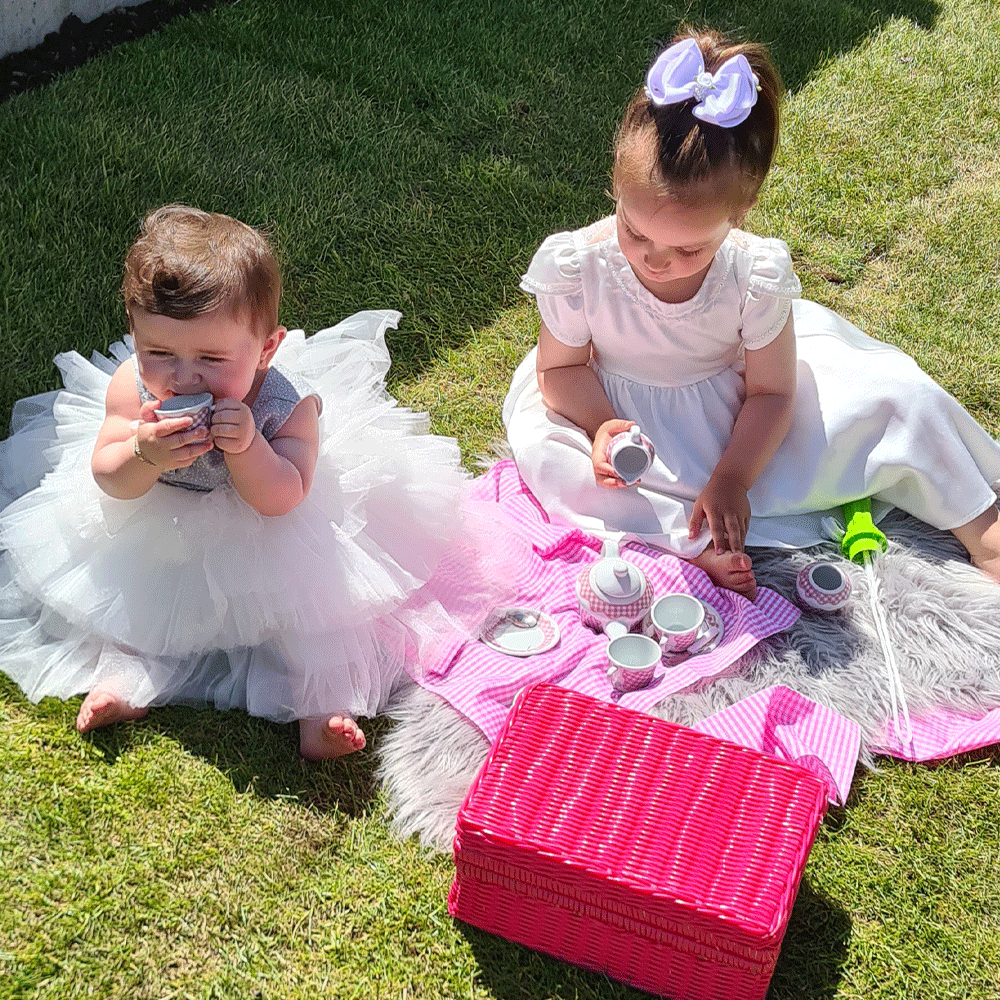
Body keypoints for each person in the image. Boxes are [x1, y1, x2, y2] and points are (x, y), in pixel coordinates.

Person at [0, 205, 515, 756]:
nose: (183, 376)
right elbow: (110, 479)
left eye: (210, 358)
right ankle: (127, 680)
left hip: (271, 530)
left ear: (267, 348)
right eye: (159, 353)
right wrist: (143, 454)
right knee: (137, 600)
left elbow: (282, 499)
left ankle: (320, 708)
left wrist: (247, 448)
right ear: (136, 337)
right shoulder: (134, 388)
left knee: (315, 620)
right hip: (161, 525)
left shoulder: (284, 407)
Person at [503, 28, 1000, 600]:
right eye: (635, 232)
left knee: (898, 398)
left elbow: (772, 395)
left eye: (689, 250)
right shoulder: (579, 265)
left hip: (736, 415)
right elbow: (560, 371)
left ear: (742, 211)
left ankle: (977, 522)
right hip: (622, 411)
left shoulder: (751, 277)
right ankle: (694, 545)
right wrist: (600, 429)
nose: (657, 261)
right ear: (615, 183)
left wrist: (735, 477)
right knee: (552, 460)